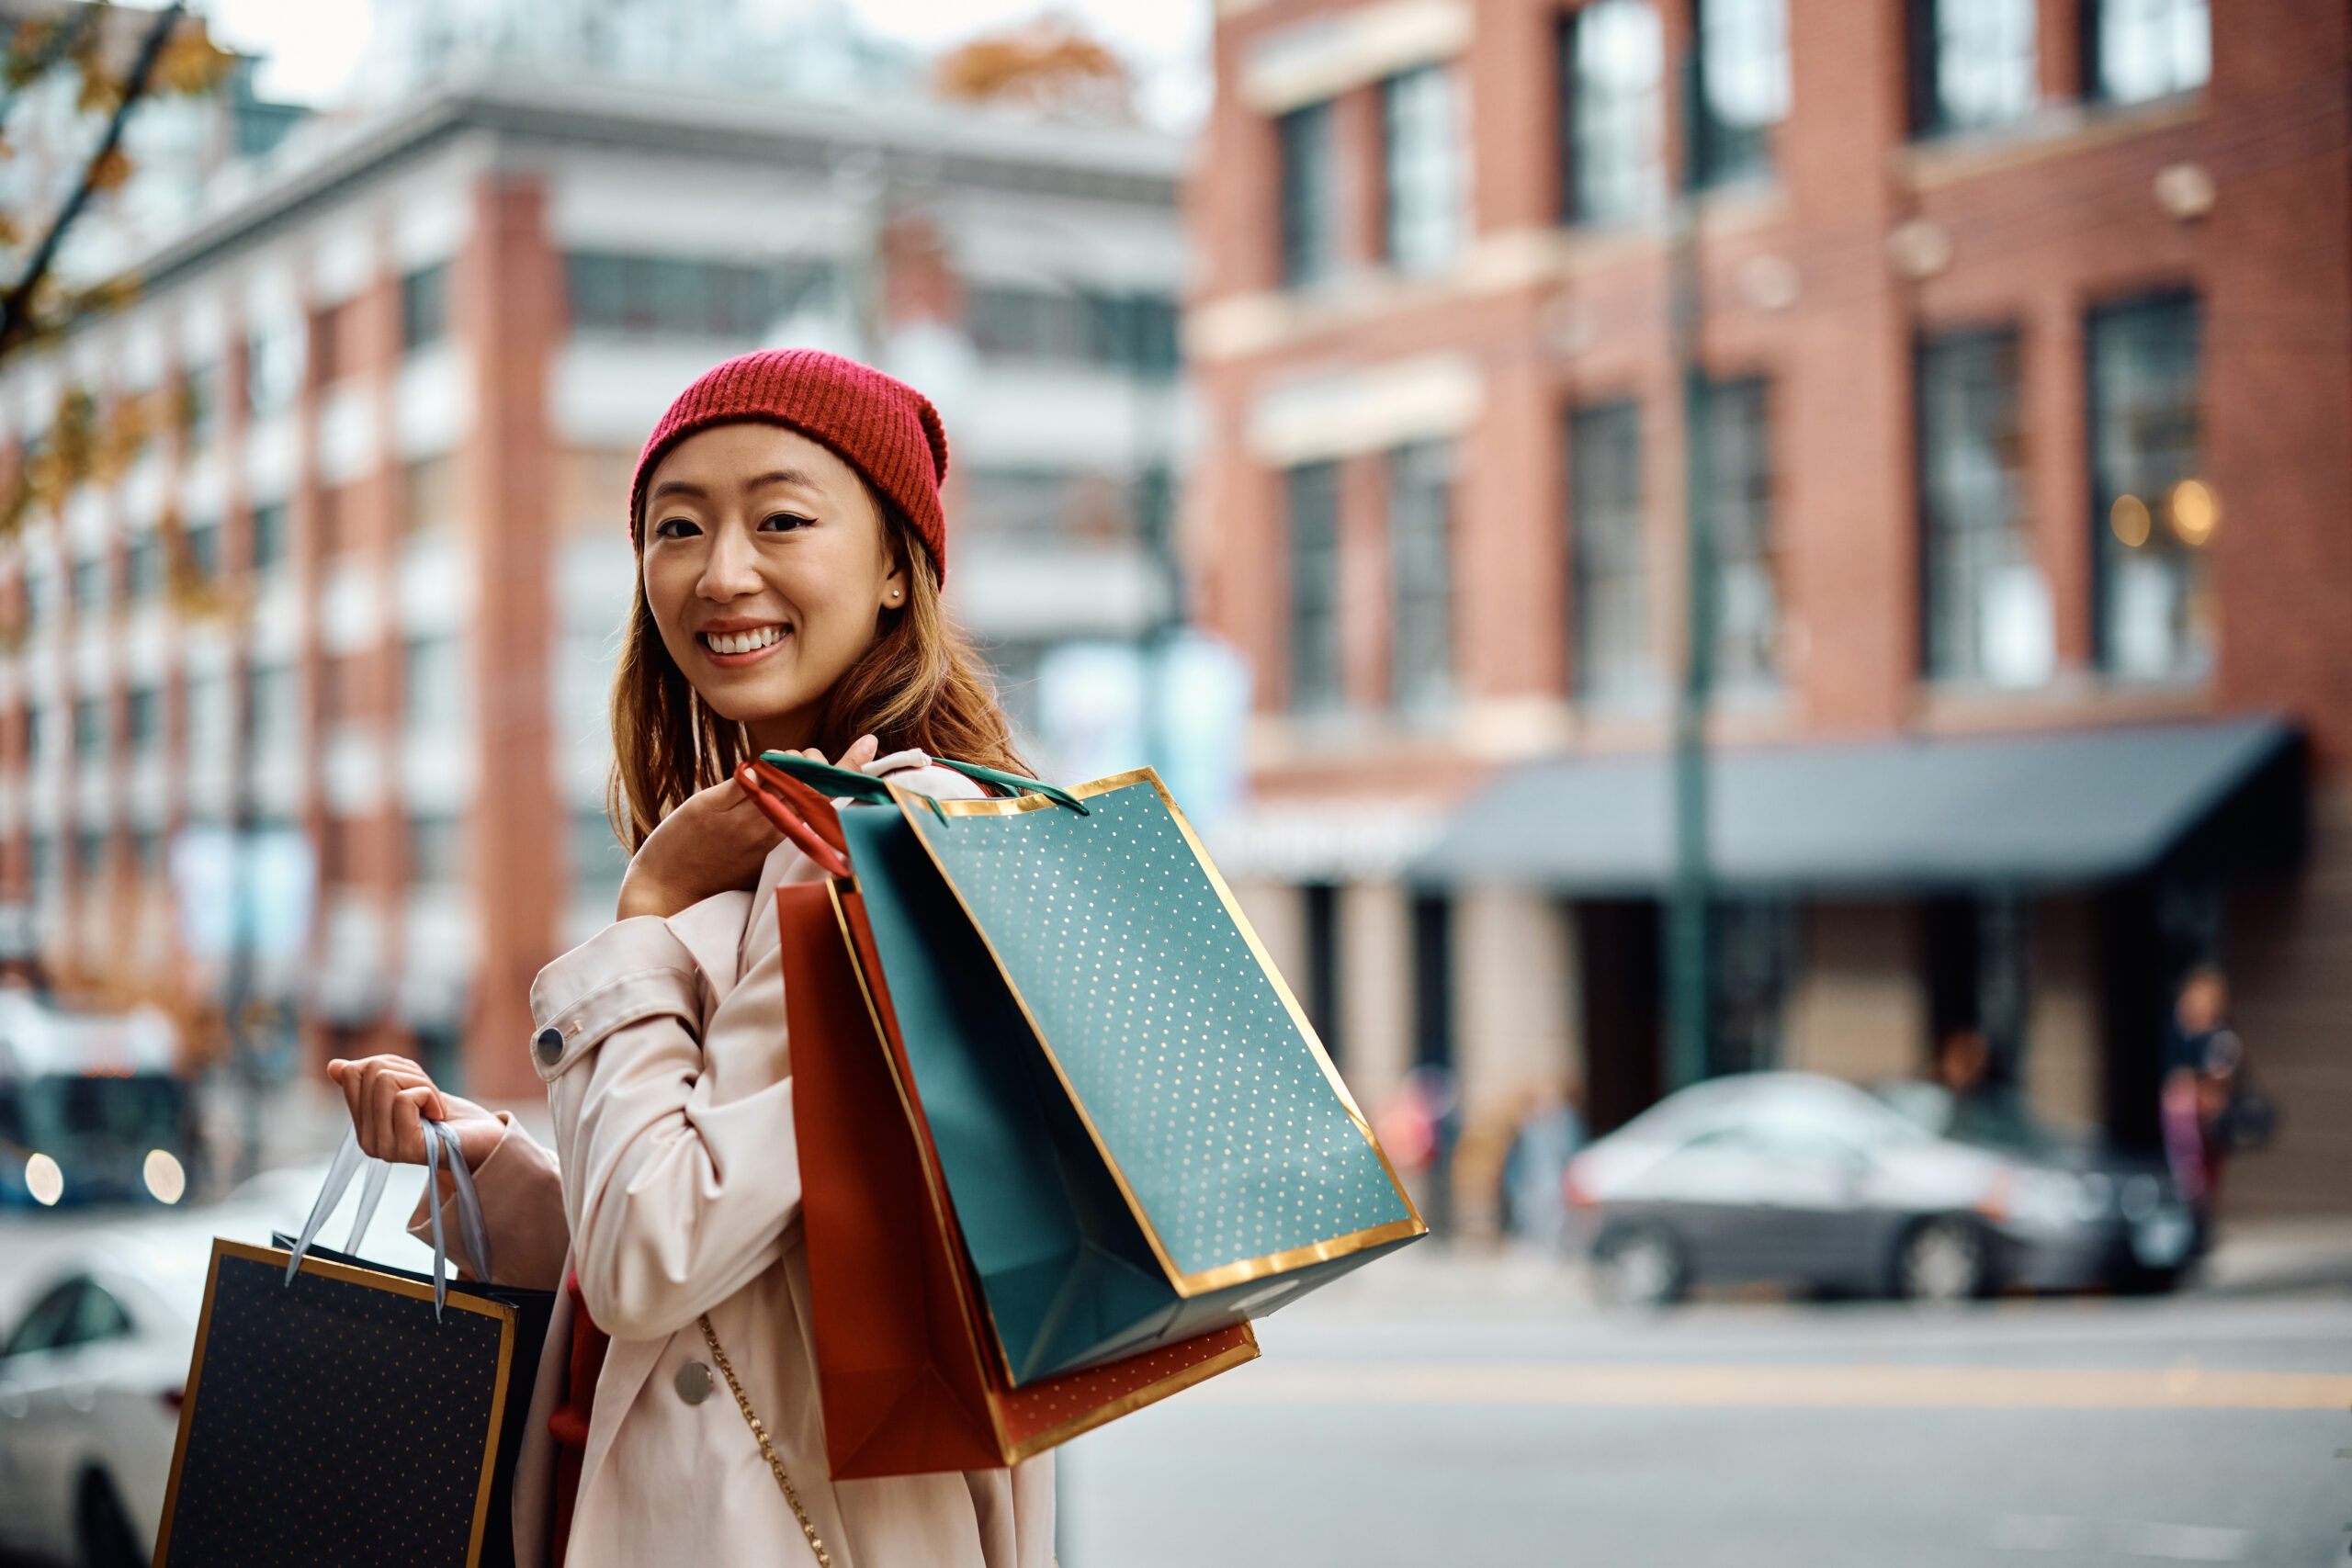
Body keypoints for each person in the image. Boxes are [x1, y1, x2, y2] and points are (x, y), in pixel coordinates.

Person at [326, 349, 1051, 1567]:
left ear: (892, 569)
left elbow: (652, 1261)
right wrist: (491, 1173)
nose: (722, 572)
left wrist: (648, 906)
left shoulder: (890, 858)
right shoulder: (786, 847)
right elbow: (733, 1289)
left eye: (780, 518)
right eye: (678, 527)